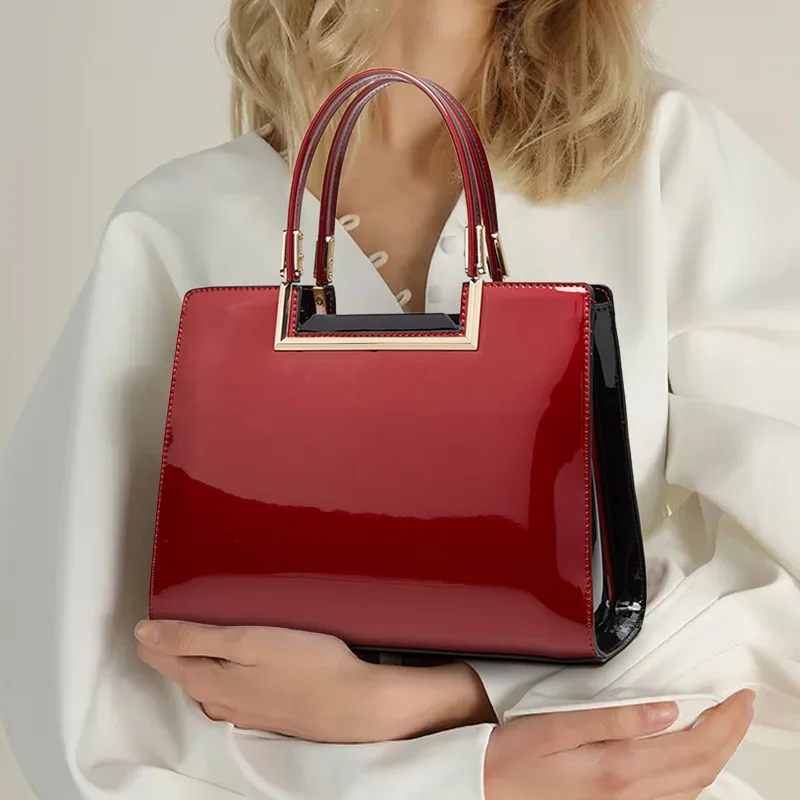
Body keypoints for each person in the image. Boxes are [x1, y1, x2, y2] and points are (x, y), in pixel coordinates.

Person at [1, 0, 799, 798]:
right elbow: (85, 717)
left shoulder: (663, 159)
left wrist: (443, 704)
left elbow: (782, 588)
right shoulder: (177, 224)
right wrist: (461, 776)